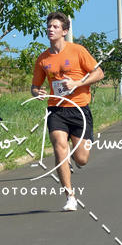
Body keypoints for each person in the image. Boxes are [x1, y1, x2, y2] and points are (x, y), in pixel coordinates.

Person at [31, 11, 104, 212]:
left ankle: (73, 160)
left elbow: (99, 73)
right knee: (59, 147)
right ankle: (70, 196)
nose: (50, 29)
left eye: (55, 26)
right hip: (56, 110)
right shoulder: (42, 59)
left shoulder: (78, 51)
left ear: (64, 31)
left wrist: (77, 83)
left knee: (82, 159)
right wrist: (37, 92)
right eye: (49, 26)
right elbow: (34, 86)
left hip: (80, 109)